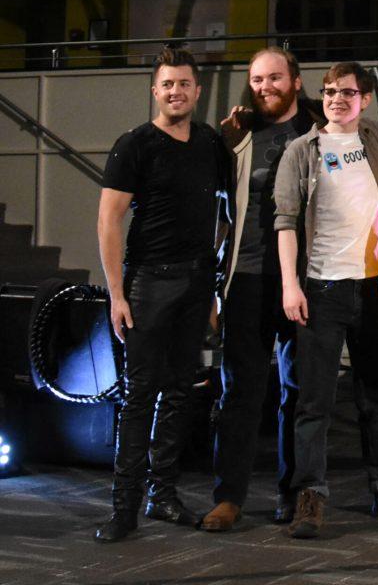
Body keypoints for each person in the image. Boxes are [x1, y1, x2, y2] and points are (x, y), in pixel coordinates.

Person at [274, 61, 378, 539]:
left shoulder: (377, 138)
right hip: (320, 290)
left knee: (375, 400)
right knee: (314, 403)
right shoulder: (301, 151)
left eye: (346, 92)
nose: (336, 99)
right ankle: (309, 497)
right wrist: (290, 284)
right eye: (328, 92)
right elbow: (284, 222)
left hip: (373, 290)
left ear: (364, 98)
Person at [94, 47, 233, 543]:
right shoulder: (134, 145)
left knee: (179, 392)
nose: (176, 91)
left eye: (184, 84)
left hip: (196, 283)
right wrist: (117, 294)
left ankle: (163, 496)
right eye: (167, 84)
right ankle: (124, 508)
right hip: (149, 283)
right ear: (155, 90)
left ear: (196, 91)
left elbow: (222, 216)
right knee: (139, 396)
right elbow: (109, 221)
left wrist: (214, 284)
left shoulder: (211, 144)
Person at [201, 47, 317, 532]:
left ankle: (292, 495)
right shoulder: (233, 133)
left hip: (307, 282)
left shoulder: (321, 129)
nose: (265, 86)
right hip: (245, 278)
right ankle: (229, 497)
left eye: (274, 77)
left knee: (300, 392)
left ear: (294, 79)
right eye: (257, 79)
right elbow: (214, 213)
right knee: (239, 393)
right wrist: (211, 286)